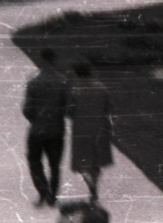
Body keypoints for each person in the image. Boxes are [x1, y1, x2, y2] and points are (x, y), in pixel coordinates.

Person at [23, 48, 70, 207]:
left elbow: (27, 109)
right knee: (55, 164)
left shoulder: (33, 82)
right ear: (54, 60)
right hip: (56, 128)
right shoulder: (63, 81)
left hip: (37, 129)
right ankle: (53, 194)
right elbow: (67, 106)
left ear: (41, 59)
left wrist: (35, 119)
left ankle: (42, 190)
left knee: (34, 160)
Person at [68, 62, 114, 203]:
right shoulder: (102, 88)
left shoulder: (75, 90)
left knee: (82, 160)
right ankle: (94, 185)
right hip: (99, 128)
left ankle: (91, 186)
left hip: (81, 128)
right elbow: (108, 108)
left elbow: (69, 111)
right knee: (96, 161)